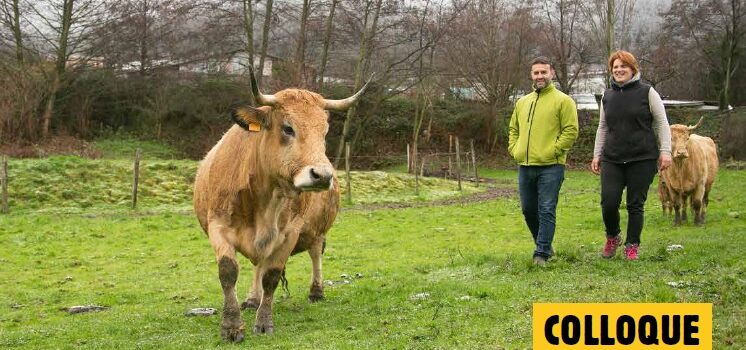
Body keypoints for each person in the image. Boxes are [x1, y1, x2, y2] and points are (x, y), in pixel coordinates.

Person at [591, 50, 672, 261]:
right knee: (609, 202)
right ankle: (613, 236)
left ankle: (632, 245)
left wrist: (666, 151)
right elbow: (602, 126)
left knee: (635, 204)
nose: (618, 70)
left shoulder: (647, 92)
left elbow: (662, 123)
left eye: (623, 66)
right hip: (612, 157)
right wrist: (596, 154)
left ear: (633, 69)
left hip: (642, 157)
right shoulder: (607, 96)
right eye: (615, 67)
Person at [508, 56, 579, 266]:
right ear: (531, 75)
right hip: (525, 165)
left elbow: (571, 131)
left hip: (551, 166)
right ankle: (545, 244)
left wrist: (554, 151)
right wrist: (515, 150)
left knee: (546, 209)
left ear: (552, 73)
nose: (540, 76)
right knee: (528, 210)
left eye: (543, 72)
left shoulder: (563, 101)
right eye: (536, 73)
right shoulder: (522, 102)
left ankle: (541, 254)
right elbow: (513, 129)